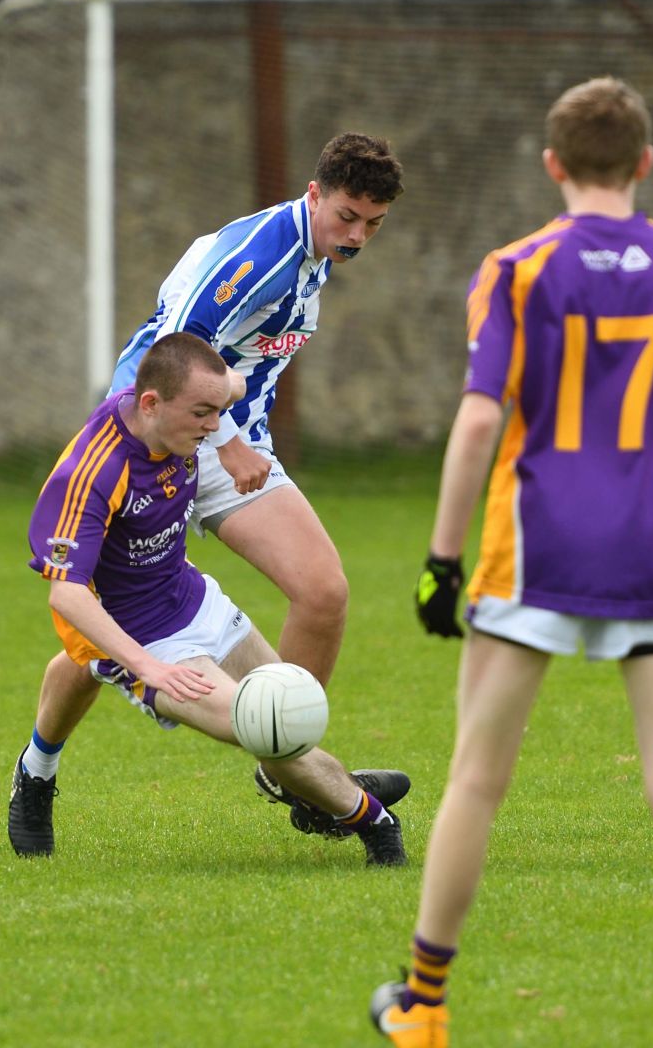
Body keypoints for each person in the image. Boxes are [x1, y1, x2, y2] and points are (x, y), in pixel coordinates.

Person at [368, 78, 653, 1048]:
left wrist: (439, 558)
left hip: (534, 555)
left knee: (475, 779)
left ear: (551, 164)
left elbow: (478, 419)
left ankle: (423, 1007)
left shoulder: (515, 268)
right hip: (652, 556)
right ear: (643, 163)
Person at [36, 132, 404, 816]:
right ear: (314, 194)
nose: (356, 235)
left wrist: (239, 436)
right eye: (347, 216)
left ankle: (283, 766)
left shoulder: (314, 255)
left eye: (373, 224)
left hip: (233, 436)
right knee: (106, 618)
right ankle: (41, 763)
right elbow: (173, 350)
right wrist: (225, 442)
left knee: (323, 594)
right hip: (170, 437)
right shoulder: (257, 256)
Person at [7, 332, 408, 866]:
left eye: (218, 411)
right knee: (267, 724)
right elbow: (67, 593)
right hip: (142, 636)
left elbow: (232, 383)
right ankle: (373, 821)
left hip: (195, 599)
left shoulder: (184, 418)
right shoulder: (91, 472)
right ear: (151, 403)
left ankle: (35, 767)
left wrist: (234, 398)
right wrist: (149, 668)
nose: (215, 428)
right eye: (201, 413)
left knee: (282, 707)